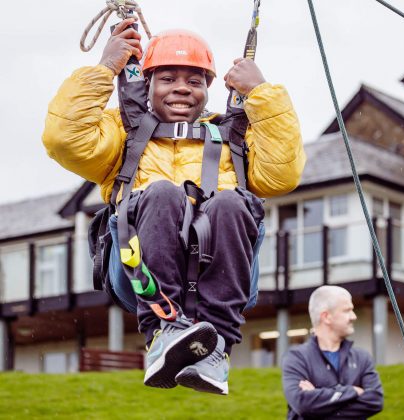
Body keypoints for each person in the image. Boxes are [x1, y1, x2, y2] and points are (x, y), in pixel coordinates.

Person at [42, 18, 306, 395]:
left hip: (222, 270)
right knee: (162, 193)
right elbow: (63, 140)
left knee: (232, 201)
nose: (181, 88)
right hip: (140, 272)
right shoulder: (122, 135)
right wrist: (105, 69)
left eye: (194, 81)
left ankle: (215, 350)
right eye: (167, 79)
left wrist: (262, 93)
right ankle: (164, 332)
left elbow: (283, 175)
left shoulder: (234, 137)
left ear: (208, 88)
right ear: (146, 84)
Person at [281, 285, 384, 419]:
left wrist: (318, 400)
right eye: (347, 311)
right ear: (326, 317)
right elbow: (302, 404)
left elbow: (375, 401)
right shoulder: (296, 358)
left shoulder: (362, 358)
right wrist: (353, 391)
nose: (353, 316)